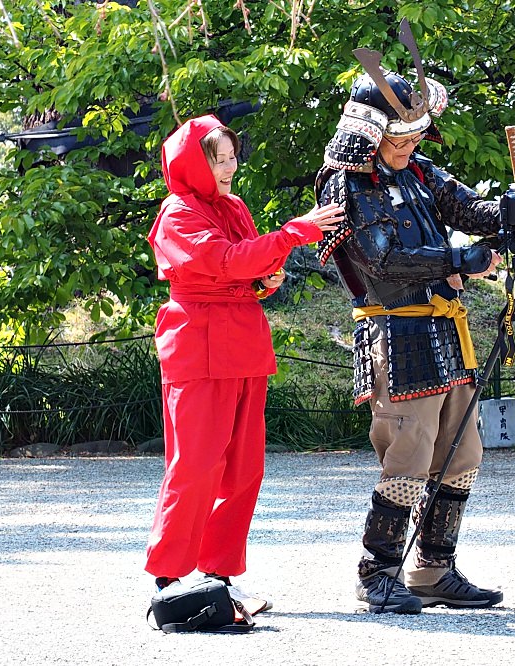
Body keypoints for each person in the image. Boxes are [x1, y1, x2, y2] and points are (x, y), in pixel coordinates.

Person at [314, 40, 504, 614]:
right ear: (370, 133)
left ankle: (432, 569)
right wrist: (458, 261)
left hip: (446, 330)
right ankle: (377, 573)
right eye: (398, 138)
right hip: (394, 333)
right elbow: (380, 258)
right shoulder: (345, 183)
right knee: (408, 454)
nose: (410, 145)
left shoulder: (420, 172)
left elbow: (470, 208)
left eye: (416, 135)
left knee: (462, 452)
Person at [145, 114, 344, 615]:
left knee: (243, 469)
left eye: (232, 157)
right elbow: (227, 261)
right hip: (198, 343)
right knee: (195, 463)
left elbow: (249, 266)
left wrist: (265, 281)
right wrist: (293, 234)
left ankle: (219, 577)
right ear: (195, 163)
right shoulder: (177, 213)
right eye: (218, 159)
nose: (230, 167)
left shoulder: (232, 206)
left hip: (242, 340)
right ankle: (169, 578)